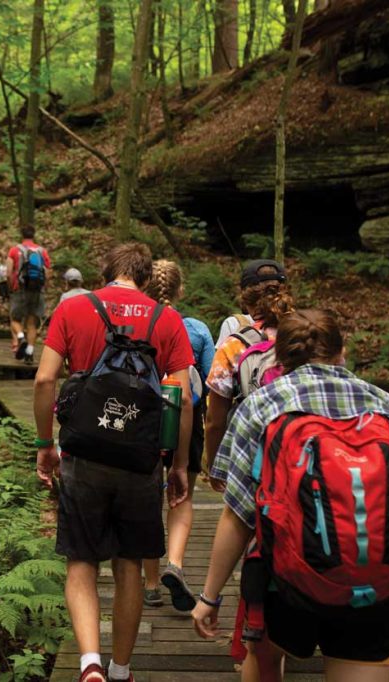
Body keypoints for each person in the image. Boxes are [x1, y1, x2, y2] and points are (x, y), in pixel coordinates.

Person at [192, 309, 389, 682]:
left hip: (286, 585)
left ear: (279, 358)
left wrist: (209, 597)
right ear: (343, 351)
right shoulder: (383, 404)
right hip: (376, 584)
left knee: (265, 662)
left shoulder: (263, 405)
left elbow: (238, 516)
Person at [33, 243, 195, 682]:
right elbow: (181, 399)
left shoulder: (75, 308)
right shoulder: (168, 319)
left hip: (82, 452)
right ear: (145, 279)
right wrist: (178, 464)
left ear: (105, 271)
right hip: (141, 460)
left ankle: (89, 664)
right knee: (129, 563)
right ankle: (121, 669)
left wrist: (45, 441)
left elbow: (46, 377)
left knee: (81, 559)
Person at [142, 260, 215, 611]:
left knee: (148, 499)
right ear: (180, 289)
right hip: (187, 419)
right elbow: (211, 381)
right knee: (181, 495)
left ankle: (152, 583)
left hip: (144, 422)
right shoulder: (197, 330)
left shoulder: (139, 324)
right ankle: (177, 563)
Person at [203, 260, 293, 491]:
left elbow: (215, 421)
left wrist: (215, 467)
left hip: (252, 456)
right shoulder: (307, 336)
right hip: (302, 449)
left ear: (245, 298)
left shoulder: (234, 345)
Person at [7, 226, 52, 364]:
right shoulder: (41, 251)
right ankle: (30, 353)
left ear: (22, 235)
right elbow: (48, 273)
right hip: (37, 291)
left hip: (20, 290)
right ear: (34, 235)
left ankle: (20, 336)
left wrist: (11, 287)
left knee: (15, 319)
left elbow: (8, 272)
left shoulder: (15, 250)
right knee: (32, 323)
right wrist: (43, 287)